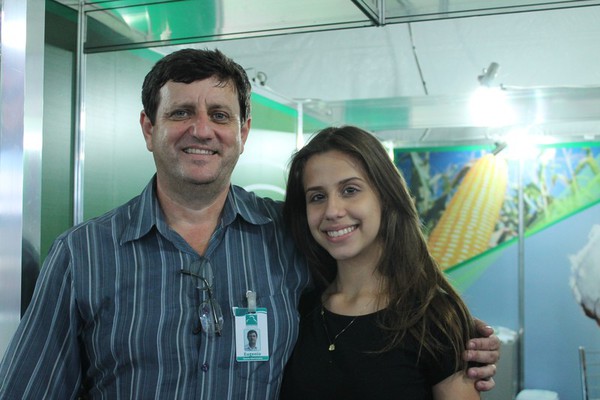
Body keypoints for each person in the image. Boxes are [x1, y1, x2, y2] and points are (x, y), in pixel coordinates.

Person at [0, 49, 498, 399]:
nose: (202, 129)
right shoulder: (82, 254)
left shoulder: (291, 236)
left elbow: (373, 299)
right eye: (181, 113)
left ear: (243, 131)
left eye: (220, 114)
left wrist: (455, 340)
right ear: (149, 129)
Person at [280, 126, 490, 399]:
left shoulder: (434, 316)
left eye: (350, 190)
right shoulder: (298, 309)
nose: (332, 211)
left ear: (385, 196)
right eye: (317, 197)